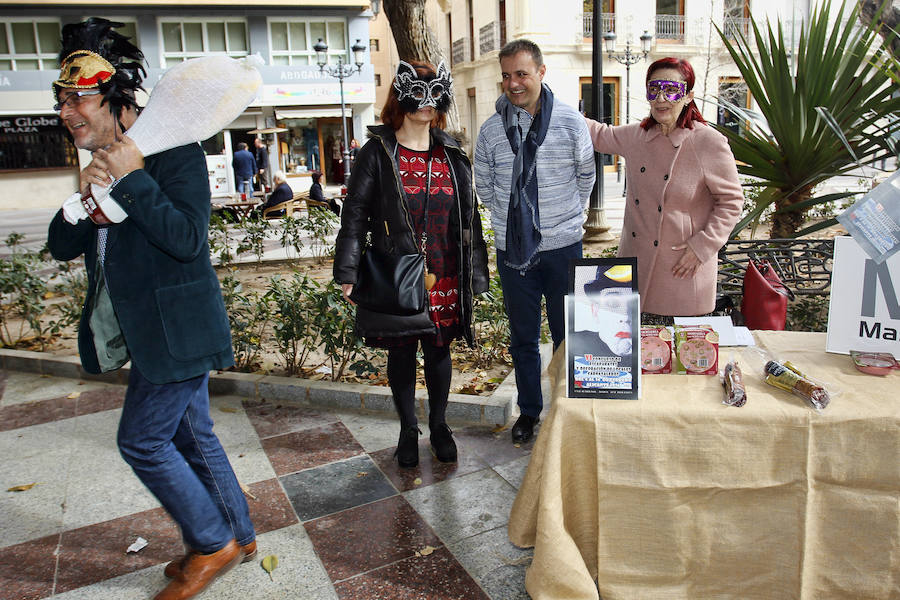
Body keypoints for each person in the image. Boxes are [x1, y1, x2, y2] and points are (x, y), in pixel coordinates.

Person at [45, 18, 255, 600]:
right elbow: (61, 246)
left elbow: (187, 240)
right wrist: (82, 202)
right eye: (63, 100)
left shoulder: (172, 155)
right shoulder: (98, 161)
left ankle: (212, 543)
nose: (68, 111)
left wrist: (133, 179)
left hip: (178, 331)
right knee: (194, 437)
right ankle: (238, 532)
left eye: (79, 98)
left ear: (114, 99)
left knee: (142, 441)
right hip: (145, 334)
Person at [334, 60, 489, 468]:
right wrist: (348, 272)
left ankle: (439, 426)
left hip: (444, 267)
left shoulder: (452, 153)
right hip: (396, 268)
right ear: (400, 98)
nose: (426, 104)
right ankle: (407, 428)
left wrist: (475, 273)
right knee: (401, 350)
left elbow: (469, 218)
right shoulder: (378, 152)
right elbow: (355, 213)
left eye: (434, 94)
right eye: (416, 93)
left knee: (439, 350)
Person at [474, 39, 595, 444]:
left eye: (521, 74)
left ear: (541, 72)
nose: (513, 83)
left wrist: (564, 219)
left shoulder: (569, 121)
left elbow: (586, 175)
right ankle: (529, 411)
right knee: (523, 336)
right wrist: (513, 223)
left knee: (567, 336)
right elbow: (484, 184)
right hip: (514, 251)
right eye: (506, 76)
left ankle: (565, 410)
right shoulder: (492, 129)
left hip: (563, 247)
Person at [584, 57, 744, 324]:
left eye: (671, 90)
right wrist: (555, 108)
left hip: (683, 266)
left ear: (688, 95)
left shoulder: (708, 141)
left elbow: (731, 202)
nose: (661, 98)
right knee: (635, 353)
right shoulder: (637, 136)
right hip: (635, 263)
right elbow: (599, 134)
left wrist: (702, 247)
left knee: (683, 358)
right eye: (654, 89)